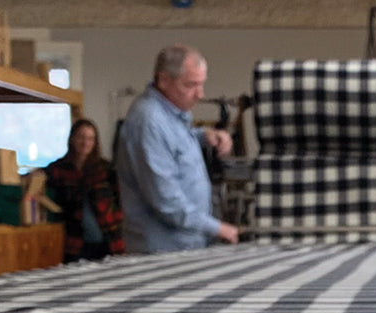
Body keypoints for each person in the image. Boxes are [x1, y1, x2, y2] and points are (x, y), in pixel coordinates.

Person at [116, 45, 239, 254]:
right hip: (163, 251)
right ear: (164, 81)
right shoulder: (148, 122)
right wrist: (217, 228)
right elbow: (166, 201)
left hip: (185, 244)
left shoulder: (171, 113)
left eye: (202, 84)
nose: (200, 94)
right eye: (191, 85)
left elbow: (172, 142)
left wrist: (203, 135)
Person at [44, 119, 124, 262]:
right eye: (81, 137)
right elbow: (38, 181)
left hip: (108, 239)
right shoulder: (59, 169)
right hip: (75, 242)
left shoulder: (106, 170)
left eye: (90, 138)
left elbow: (121, 200)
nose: (85, 142)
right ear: (72, 139)